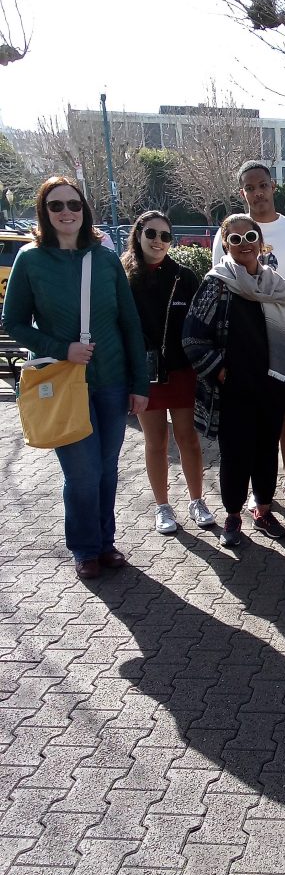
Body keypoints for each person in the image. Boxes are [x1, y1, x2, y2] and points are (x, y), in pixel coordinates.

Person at [2, 176, 149, 580]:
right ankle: (84, 547)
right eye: (56, 205)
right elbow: (13, 321)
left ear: (84, 210)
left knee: (107, 468)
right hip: (63, 381)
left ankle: (105, 542)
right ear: (43, 212)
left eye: (74, 204)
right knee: (82, 474)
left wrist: (140, 384)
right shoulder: (30, 260)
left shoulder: (104, 258)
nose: (66, 212)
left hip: (112, 379)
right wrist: (60, 347)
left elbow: (129, 322)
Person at [183, 215, 285, 547]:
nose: (244, 244)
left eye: (250, 237)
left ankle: (263, 510)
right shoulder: (216, 284)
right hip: (234, 390)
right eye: (235, 239)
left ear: (260, 241)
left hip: (271, 386)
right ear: (226, 245)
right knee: (235, 455)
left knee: (266, 451)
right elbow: (192, 337)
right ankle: (233, 515)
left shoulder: (275, 283)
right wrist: (221, 371)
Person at [212, 162, 285, 513]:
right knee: (248, 420)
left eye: (262, 185)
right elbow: (218, 288)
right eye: (249, 187)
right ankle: (251, 492)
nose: (257, 193)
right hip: (244, 345)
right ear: (242, 192)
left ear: (273, 186)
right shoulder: (230, 231)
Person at [121, 211, 214, 535]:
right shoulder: (124, 276)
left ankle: (197, 500)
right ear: (138, 235)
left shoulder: (183, 277)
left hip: (181, 370)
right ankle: (162, 506)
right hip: (143, 373)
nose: (158, 241)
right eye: (151, 234)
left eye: (165, 236)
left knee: (188, 438)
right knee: (155, 442)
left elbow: (200, 323)